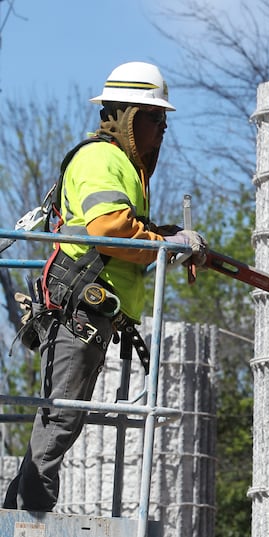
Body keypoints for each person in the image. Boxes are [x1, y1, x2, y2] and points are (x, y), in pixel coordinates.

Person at [4, 61, 207, 512]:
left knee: (62, 416)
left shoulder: (121, 166)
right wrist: (163, 243)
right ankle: (27, 516)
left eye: (164, 120)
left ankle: (19, 511)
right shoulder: (102, 159)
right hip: (81, 310)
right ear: (128, 117)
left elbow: (123, 230)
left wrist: (165, 237)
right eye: (155, 118)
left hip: (92, 314)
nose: (163, 129)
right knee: (61, 416)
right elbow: (109, 228)